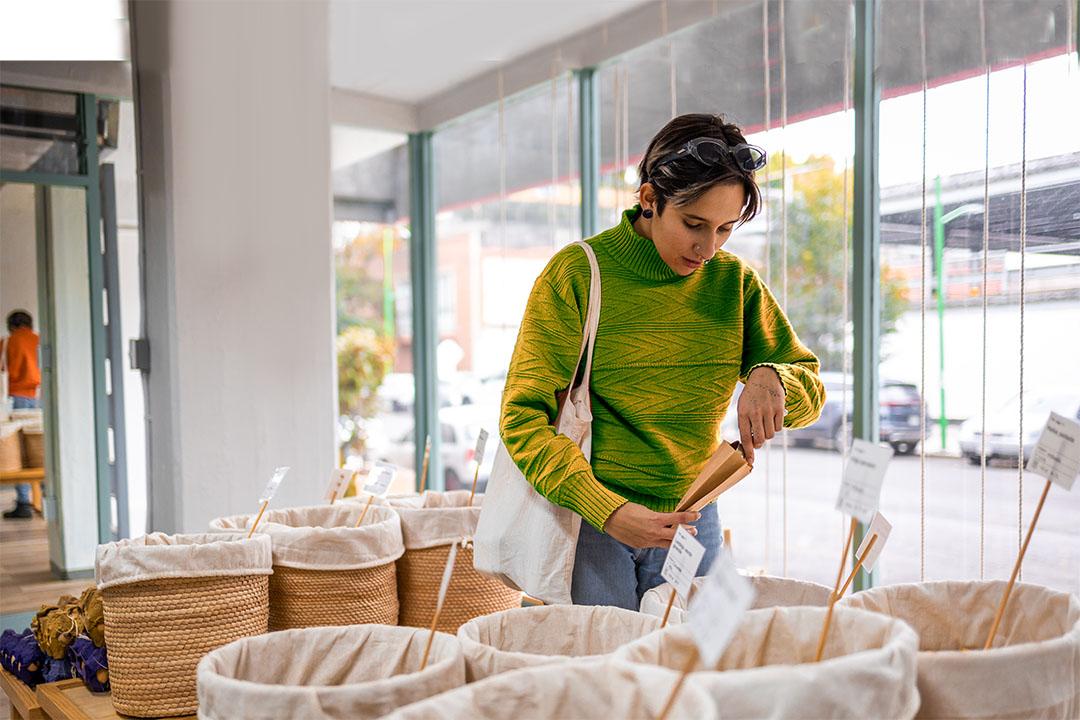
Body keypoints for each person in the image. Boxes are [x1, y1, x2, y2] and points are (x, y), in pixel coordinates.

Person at [500, 114, 826, 609]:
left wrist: (771, 376)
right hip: (592, 523)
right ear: (649, 200)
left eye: (724, 229)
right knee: (610, 676)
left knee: (692, 672)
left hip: (695, 519)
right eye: (693, 225)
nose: (708, 248)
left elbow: (810, 389)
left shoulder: (734, 284)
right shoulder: (577, 275)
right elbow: (522, 418)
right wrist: (606, 510)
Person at [3, 310, 41, 519]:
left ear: (12, 325)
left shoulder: (8, 343)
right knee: (39, 447)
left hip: (14, 399)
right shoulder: (39, 340)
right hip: (39, 397)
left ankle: (24, 501)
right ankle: (42, 496)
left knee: (17, 449)